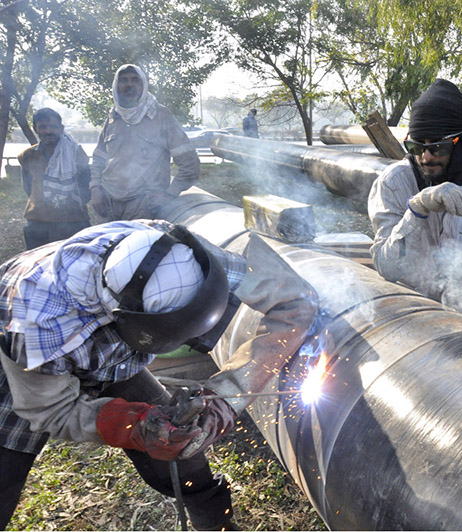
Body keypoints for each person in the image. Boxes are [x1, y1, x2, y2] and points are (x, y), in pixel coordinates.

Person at [0, 219, 319, 529]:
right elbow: (50, 410)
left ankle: (216, 525)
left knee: (183, 454)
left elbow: (295, 300)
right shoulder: (35, 325)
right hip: (21, 367)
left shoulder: (177, 251)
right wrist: (136, 426)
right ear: (136, 323)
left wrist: (227, 394)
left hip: (106, 348)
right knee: (4, 478)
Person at [368, 79, 462, 323]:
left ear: (461, 145)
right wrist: (416, 209)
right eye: (417, 147)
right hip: (409, 303)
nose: (426, 158)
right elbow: (387, 267)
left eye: (437, 147)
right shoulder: (393, 184)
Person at [91, 64, 200, 222]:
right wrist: (95, 189)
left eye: (135, 80)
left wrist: (170, 194)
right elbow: (99, 159)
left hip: (144, 207)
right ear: (116, 85)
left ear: (143, 84)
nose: (129, 85)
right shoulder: (113, 117)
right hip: (109, 205)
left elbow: (190, 164)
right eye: (124, 80)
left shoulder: (161, 116)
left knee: (137, 247)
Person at [17, 108, 91, 250]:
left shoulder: (76, 153)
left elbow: (85, 187)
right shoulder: (27, 156)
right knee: (39, 265)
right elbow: (28, 188)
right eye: (43, 127)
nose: (48, 131)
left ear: (61, 128)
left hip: (74, 220)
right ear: (35, 129)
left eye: (53, 126)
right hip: (38, 221)